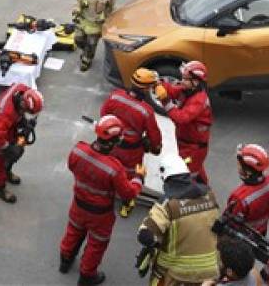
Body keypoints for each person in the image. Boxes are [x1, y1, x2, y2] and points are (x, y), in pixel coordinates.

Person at [59, 116, 144, 286]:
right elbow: (128, 194)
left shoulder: (78, 150)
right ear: (113, 141)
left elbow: (72, 166)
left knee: (73, 232)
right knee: (97, 244)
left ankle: (65, 260)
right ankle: (87, 276)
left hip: (78, 204)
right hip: (100, 215)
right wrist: (138, 179)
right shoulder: (114, 168)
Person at [137, 154, 220, 286]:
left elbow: (145, 235)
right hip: (211, 271)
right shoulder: (210, 195)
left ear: (166, 178)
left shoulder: (167, 204)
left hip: (177, 274)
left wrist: (156, 244)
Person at [100, 67, 162, 217]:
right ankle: (127, 202)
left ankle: (107, 192)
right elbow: (154, 136)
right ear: (146, 89)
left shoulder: (115, 96)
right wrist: (155, 147)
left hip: (111, 144)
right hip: (132, 151)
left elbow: (104, 115)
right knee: (131, 175)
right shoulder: (146, 111)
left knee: (110, 167)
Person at [0, 82, 43, 203]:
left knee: (17, 150)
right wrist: (7, 148)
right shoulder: (5, 113)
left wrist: (24, 121)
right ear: (23, 104)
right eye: (26, 111)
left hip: (9, 127)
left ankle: (6, 171)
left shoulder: (23, 90)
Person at [160, 60, 214, 184]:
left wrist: (165, 102)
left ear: (195, 82)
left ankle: (195, 197)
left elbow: (181, 118)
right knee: (196, 168)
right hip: (187, 144)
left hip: (193, 148)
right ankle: (205, 190)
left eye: (185, 79)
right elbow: (173, 90)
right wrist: (159, 84)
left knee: (188, 174)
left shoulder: (199, 100)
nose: (182, 81)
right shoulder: (187, 90)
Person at [223, 144, 269, 238]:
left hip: (242, 240)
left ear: (247, 172)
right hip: (261, 234)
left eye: (239, 164)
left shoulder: (239, 197)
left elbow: (231, 225)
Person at [72, 0, 116, 71]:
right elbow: (78, 1)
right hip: (83, 20)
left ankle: (86, 61)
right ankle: (85, 51)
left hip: (96, 24)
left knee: (91, 44)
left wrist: (107, 20)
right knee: (78, 40)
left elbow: (111, 8)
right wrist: (76, 11)